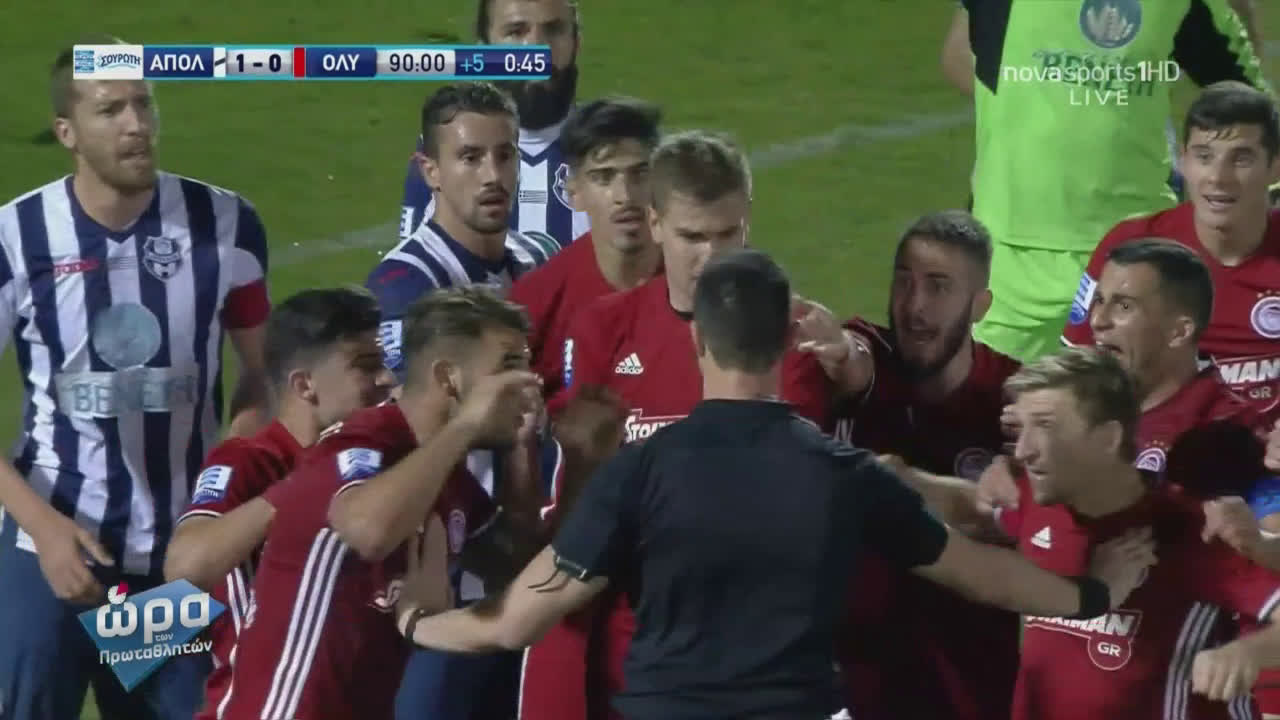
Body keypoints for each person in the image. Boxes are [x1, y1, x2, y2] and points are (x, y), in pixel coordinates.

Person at [391, 249, 1156, 720]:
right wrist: (1094, 593)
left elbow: (516, 621)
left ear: (698, 338)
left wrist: (420, 621)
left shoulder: (638, 472)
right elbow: (981, 575)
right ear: (788, 338)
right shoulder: (844, 474)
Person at [0, 38, 273, 720]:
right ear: (66, 131)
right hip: (52, 549)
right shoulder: (15, 236)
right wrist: (43, 527)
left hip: (171, 558)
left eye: (143, 104)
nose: (135, 125)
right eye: (110, 109)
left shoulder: (225, 224)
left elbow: (263, 374)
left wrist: (223, 487)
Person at [534, 131, 832, 720]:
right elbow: (583, 509)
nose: (712, 258)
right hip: (631, 661)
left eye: (728, 235)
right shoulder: (605, 329)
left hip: (747, 667)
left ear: (748, 221)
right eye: (693, 237)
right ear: (655, 224)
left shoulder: (789, 332)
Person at [219, 288, 544, 720]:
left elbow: (512, 565)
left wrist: (529, 453)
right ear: (448, 378)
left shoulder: (444, 471)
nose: (530, 380)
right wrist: (465, 426)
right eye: (509, 365)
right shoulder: (362, 438)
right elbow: (366, 531)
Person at [367, 80, 554, 720]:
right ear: (431, 170)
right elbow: (408, 432)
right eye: (470, 157)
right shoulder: (406, 284)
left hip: (528, 562)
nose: (493, 175)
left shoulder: (538, 259)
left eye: (505, 155)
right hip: (451, 577)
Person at [792, 210, 1021, 720]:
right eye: (904, 281)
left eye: (938, 287)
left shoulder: (1013, 403)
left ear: (980, 305)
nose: (915, 306)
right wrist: (840, 352)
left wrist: (904, 485)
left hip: (968, 689)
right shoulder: (871, 349)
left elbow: (1029, 521)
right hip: (853, 688)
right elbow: (854, 360)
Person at [959, 0, 1271, 363]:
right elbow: (956, 54)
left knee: (1151, 396)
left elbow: (1249, 103)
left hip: (1139, 253)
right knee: (991, 394)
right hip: (1012, 259)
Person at [978, 347, 1280, 719]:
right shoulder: (1034, 498)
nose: (1023, 451)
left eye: (1046, 426)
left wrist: (1246, 653)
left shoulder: (1194, 532)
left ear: (1108, 438)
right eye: (1020, 428)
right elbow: (965, 511)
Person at [162, 287, 394, 720]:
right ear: (304, 385)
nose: (385, 379)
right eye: (366, 365)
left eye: (385, 363)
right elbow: (187, 567)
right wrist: (302, 489)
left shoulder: (378, 456)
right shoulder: (250, 461)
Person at [1063, 82, 1280, 418]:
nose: (1218, 178)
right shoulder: (1133, 246)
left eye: (1241, 159)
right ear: (1184, 161)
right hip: (1158, 442)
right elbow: (1078, 371)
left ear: (1275, 166)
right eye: (1204, 157)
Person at [508, 96, 664, 399]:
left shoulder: (700, 279)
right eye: (603, 177)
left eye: (640, 174)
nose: (624, 196)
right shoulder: (537, 303)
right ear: (574, 193)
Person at [399, 0, 587, 250]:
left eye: (554, 30)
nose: (537, 49)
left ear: (576, 43)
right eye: (516, 32)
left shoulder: (612, 147)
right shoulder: (443, 150)